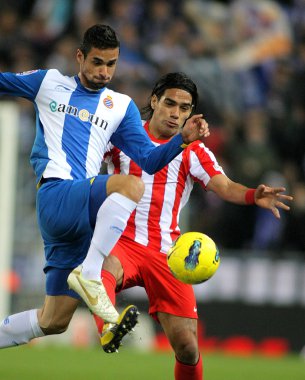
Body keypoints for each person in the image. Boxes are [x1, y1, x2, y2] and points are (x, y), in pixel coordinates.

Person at [0, 25, 209, 349]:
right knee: (130, 185)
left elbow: (150, 160)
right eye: (97, 62)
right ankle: (93, 274)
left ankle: (89, 277)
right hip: (56, 193)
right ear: (80, 57)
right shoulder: (48, 82)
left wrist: (181, 141)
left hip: (77, 217)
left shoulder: (120, 106)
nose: (103, 71)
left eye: (111, 64)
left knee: (54, 319)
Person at [92, 72, 293, 379]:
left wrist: (254, 195)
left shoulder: (194, 149)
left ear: (191, 113)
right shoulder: (124, 137)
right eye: (169, 103)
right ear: (155, 101)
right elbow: (88, 159)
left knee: (187, 347)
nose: (175, 113)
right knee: (103, 265)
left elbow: (223, 186)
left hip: (167, 253)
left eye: (183, 108)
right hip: (123, 241)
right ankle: (109, 325)